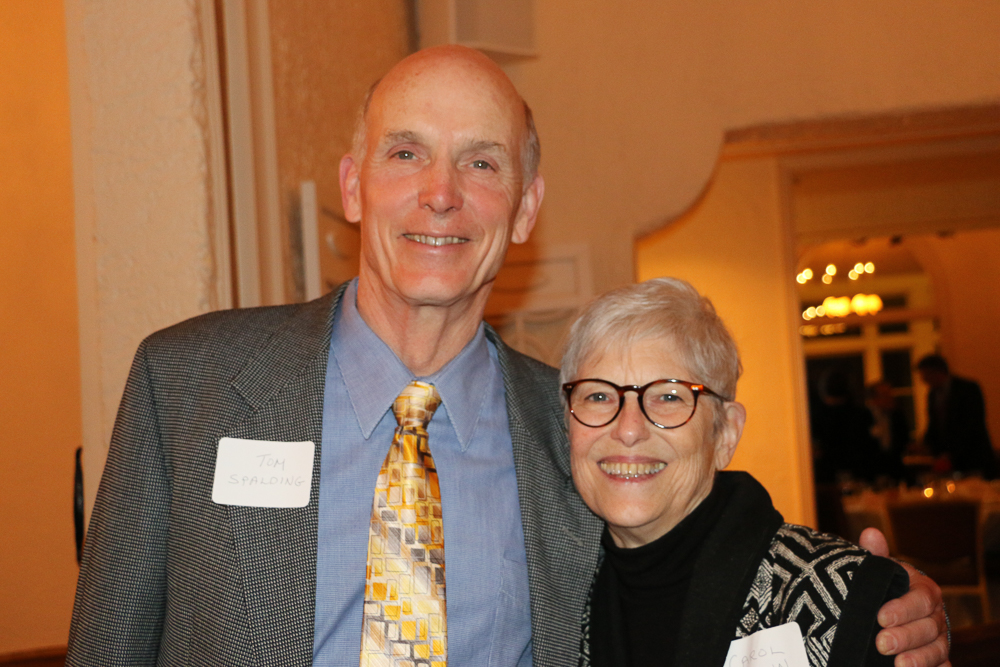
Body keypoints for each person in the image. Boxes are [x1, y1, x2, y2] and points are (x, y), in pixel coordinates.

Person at [67, 45, 948, 666]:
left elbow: (705, 548)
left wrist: (872, 598)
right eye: (405, 152)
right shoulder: (186, 386)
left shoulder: (580, 431)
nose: (440, 193)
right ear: (352, 186)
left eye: (480, 164)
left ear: (524, 209)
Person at [561, 278, 910, 666]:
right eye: (598, 395)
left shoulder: (840, 597)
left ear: (725, 433)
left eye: (668, 397)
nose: (627, 429)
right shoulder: (550, 594)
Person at [917, 354, 997, 479]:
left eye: (926, 375)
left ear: (936, 372)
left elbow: (972, 424)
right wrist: (927, 444)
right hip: (952, 460)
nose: (923, 379)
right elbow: (934, 425)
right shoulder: (933, 394)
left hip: (973, 456)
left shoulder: (968, 389)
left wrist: (948, 454)